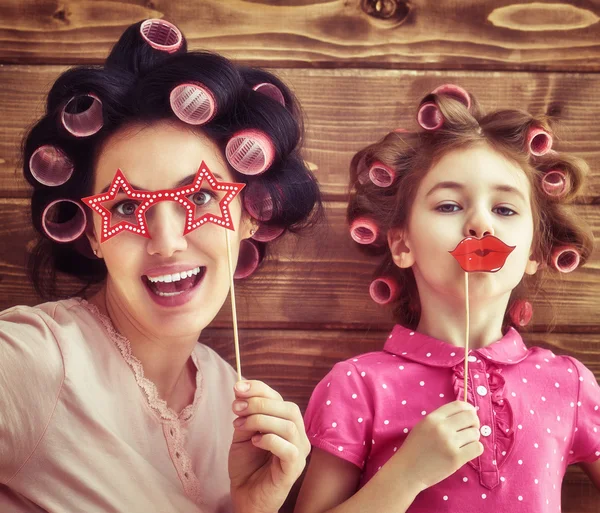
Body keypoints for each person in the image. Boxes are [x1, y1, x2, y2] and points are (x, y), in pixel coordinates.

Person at [0, 19, 321, 513]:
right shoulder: (33, 361)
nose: (167, 242)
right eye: (126, 208)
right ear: (90, 232)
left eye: (201, 196)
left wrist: (252, 509)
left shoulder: (227, 396)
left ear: (251, 214)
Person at [295, 84, 599, 512]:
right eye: (450, 206)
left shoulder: (570, 384)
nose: (478, 224)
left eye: (505, 210)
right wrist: (407, 475)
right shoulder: (357, 386)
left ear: (533, 252)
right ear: (401, 244)